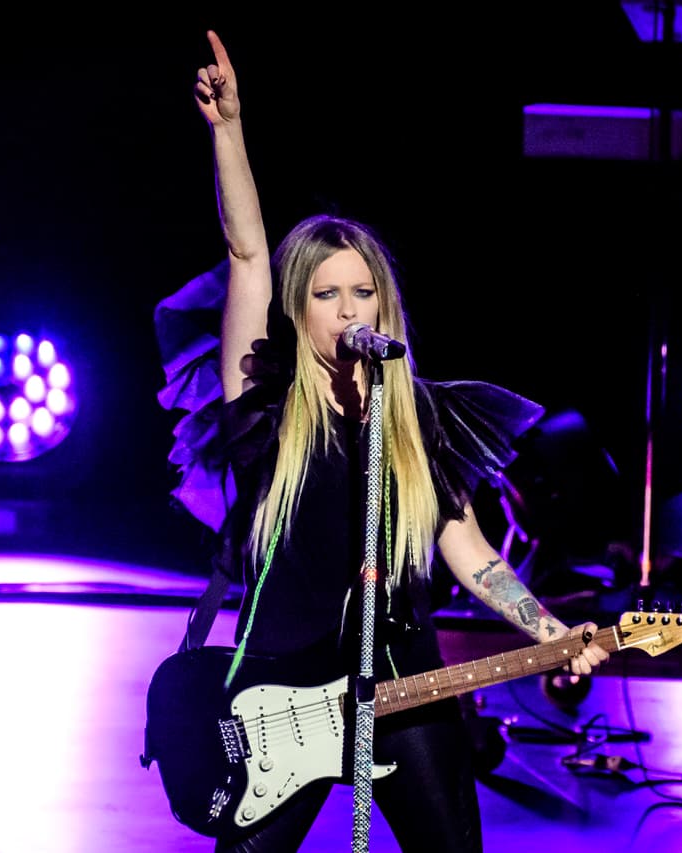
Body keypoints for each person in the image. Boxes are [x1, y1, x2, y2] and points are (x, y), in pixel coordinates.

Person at [153, 29, 611, 852]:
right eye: (326, 293)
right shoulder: (264, 405)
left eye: (363, 291)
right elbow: (247, 250)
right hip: (278, 691)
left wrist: (546, 628)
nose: (348, 308)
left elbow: (472, 552)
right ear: (299, 309)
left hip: (405, 683)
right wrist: (229, 130)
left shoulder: (415, 419)